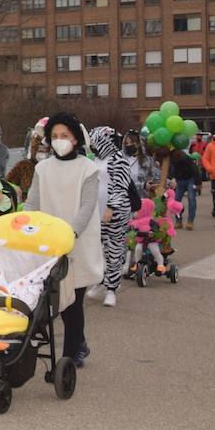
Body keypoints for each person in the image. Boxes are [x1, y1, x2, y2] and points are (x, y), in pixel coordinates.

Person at [24, 113, 101, 367]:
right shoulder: (42, 168)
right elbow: (32, 203)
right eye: (55, 136)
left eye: (64, 136)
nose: (59, 141)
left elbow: (88, 205)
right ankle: (78, 343)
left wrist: (70, 233)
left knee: (71, 303)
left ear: (76, 139)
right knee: (48, 300)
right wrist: (25, 227)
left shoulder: (87, 169)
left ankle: (69, 358)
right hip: (47, 244)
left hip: (76, 243)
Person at [89, 127, 135, 309]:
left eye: (94, 142)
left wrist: (111, 207)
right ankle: (100, 281)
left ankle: (111, 289)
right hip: (96, 213)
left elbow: (121, 185)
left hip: (114, 213)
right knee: (97, 250)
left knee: (114, 250)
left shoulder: (119, 159)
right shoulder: (96, 160)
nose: (92, 146)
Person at [170, 148, 199, 230]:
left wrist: (197, 182)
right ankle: (179, 221)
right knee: (176, 200)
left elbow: (195, 169)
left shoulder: (185, 158)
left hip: (190, 179)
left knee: (191, 199)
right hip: (180, 180)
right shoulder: (170, 157)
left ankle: (190, 222)